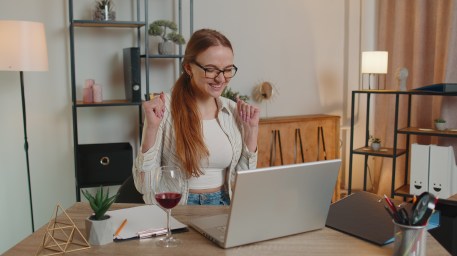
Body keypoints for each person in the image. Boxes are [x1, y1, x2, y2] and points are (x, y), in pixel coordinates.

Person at [132, 28, 260, 206]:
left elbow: (244, 182)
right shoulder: (164, 110)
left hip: (223, 205)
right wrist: (152, 128)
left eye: (228, 70)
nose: (221, 79)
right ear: (188, 68)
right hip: (177, 207)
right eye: (211, 70)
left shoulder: (232, 110)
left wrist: (251, 131)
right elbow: (144, 186)